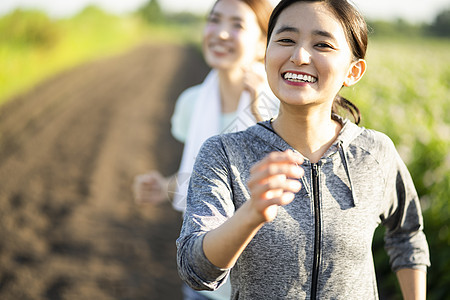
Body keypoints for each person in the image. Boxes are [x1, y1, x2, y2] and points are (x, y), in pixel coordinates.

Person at [176, 0, 431, 299]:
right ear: (266, 52)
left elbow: (407, 234)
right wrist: (251, 214)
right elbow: (195, 270)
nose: (298, 56)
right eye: (285, 40)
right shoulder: (224, 153)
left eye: (322, 44)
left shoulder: (375, 152)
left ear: (353, 71)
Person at [132, 0, 277, 299]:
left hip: (263, 283)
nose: (221, 33)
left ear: (263, 43)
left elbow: (293, 190)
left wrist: (259, 110)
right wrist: (164, 186)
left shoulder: (280, 105)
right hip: (205, 277)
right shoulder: (192, 102)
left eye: (237, 25)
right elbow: (205, 178)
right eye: (214, 20)